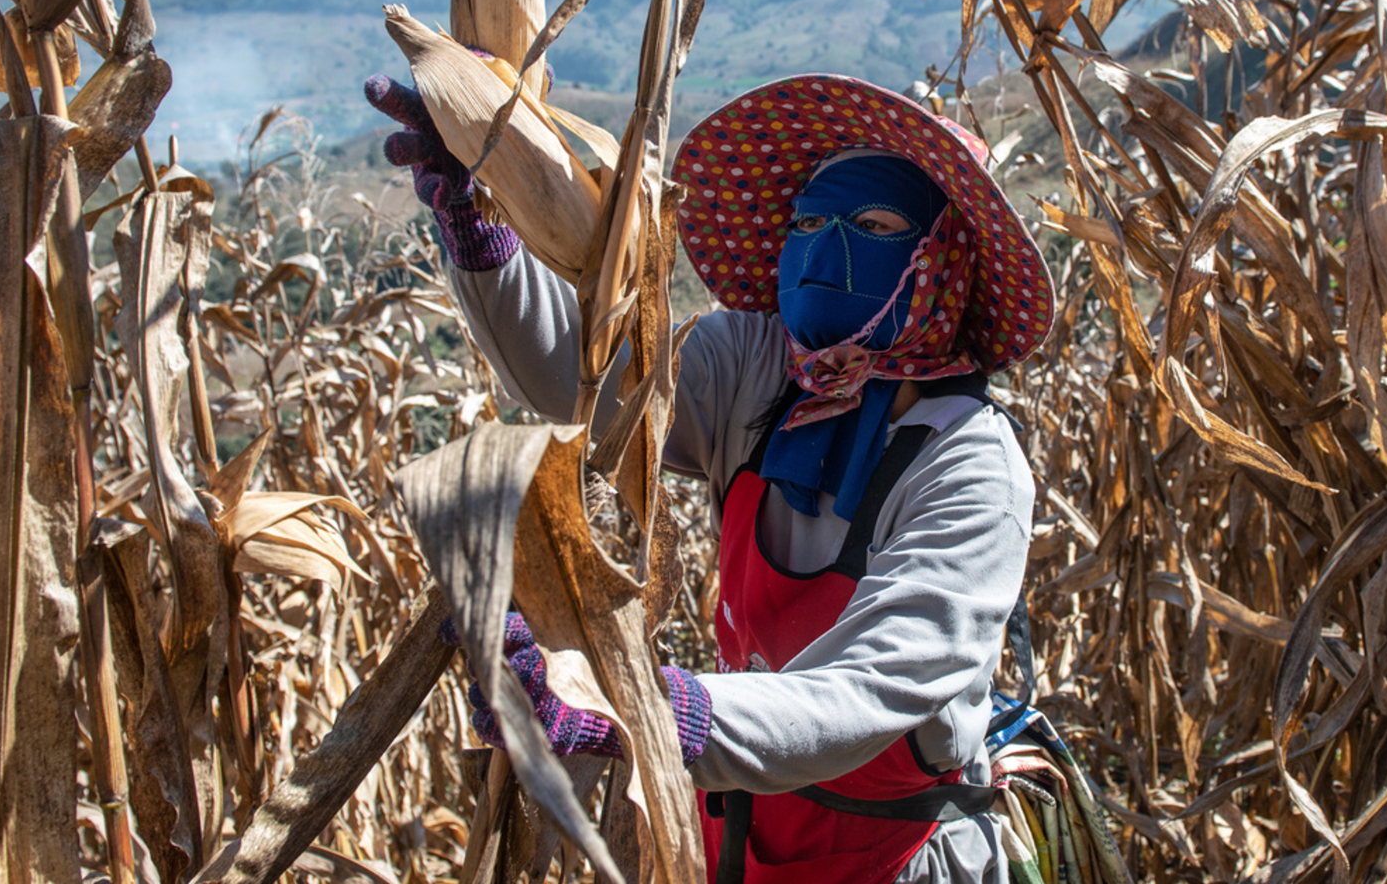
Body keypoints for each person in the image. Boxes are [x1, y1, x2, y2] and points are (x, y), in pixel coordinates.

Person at [365, 72, 1056, 884]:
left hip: (898, 859)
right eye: (807, 222)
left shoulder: (970, 463)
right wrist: (483, 219)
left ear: (943, 257)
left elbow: (872, 689)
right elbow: (584, 380)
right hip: (734, 835)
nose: (823, 248)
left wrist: (639, 707)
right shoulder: (759, 367)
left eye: (872, 225)